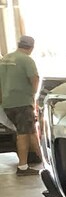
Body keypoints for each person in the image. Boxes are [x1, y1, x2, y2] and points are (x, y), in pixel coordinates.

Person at [0, 35, 42, 176]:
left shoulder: (5, 59)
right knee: (23, 134)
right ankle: (22, 167)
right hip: (22, 102)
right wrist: (33, 95)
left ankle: (44, 162)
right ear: (31, 47)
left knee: (30, 132)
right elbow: (35, 80)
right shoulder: (26, 60)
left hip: (7, 102)